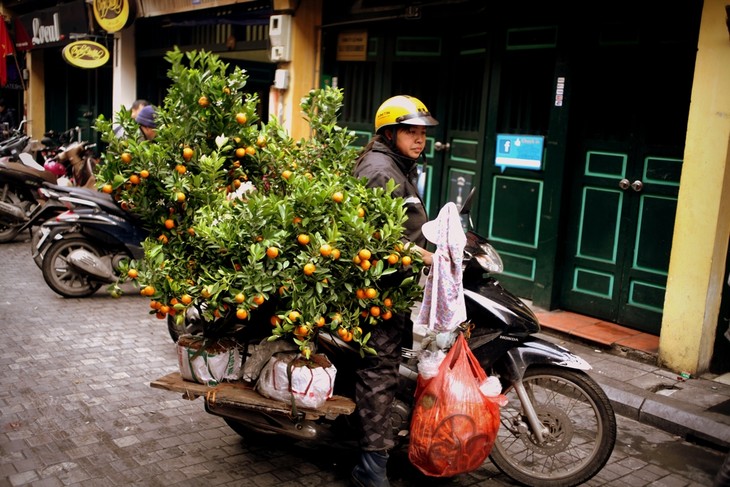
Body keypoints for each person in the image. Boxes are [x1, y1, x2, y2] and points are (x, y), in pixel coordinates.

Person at [350, 95, 437, 487]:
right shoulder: (379, 169)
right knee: (380, 369)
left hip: (395, 286)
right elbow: (366, 236)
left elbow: (406, 221)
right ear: (389, 133)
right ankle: (371, 468)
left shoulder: (399, 166)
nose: (420, 139)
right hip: (375, 290)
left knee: (403, 355)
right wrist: (420, 253)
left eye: (422, 133)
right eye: (411, 132)